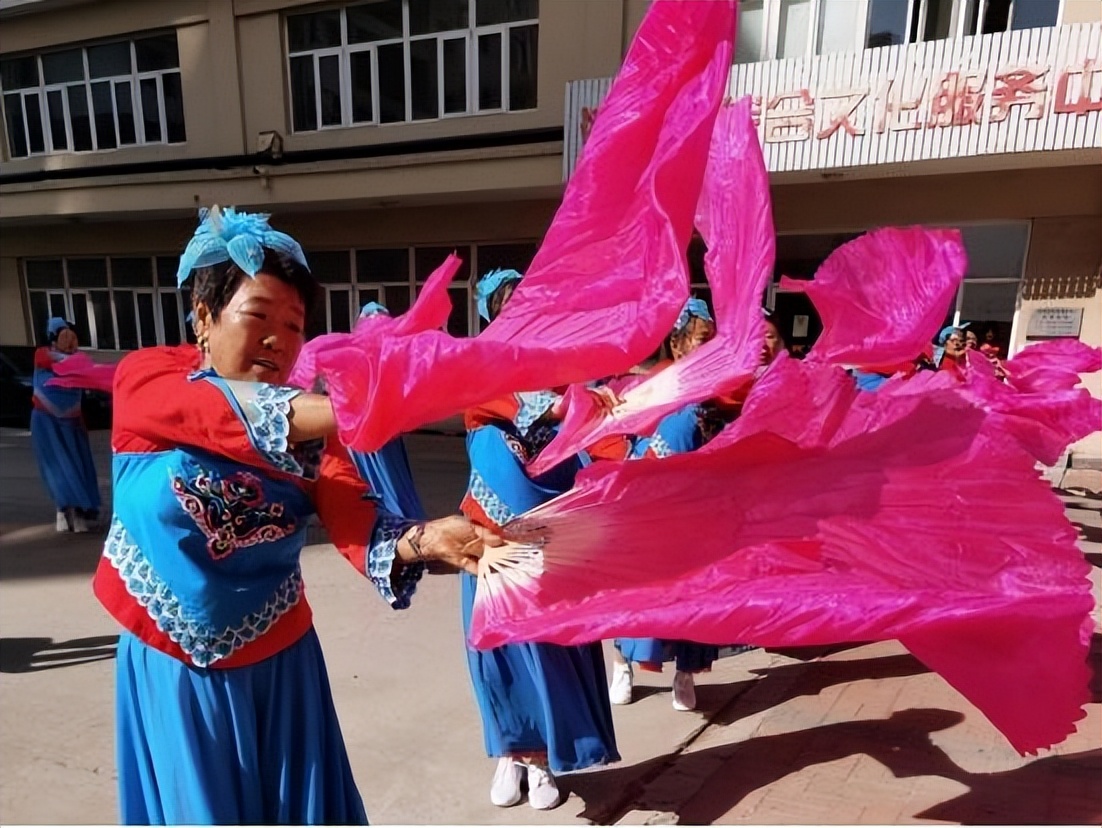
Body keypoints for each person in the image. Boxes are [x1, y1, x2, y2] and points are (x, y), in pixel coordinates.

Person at [91, 206, 499, 825]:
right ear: (203, 317)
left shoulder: (311, 432)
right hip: (175, 666)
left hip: (282, 668)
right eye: (257, 316)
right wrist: (379, 402)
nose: (277, 339)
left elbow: (357, 519)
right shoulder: (148, 379)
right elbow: (214, 413)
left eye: (293, 325)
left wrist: (430, 539)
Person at [460, 268, 619, 811]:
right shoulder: (481, 375)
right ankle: (510, 749)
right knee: (500, 656)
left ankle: (544, 757)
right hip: (489, 541)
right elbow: (500, 409)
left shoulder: (566, 376)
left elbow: (597, 436)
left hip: (553, 540)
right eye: (509, 310)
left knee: (548, 652)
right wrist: (560, 408)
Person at [610, 298, 722, 711]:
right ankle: (621, 662)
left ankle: (685, 673)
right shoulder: (648, 388)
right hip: (647, 511)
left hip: (697, 513)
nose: (709, 349)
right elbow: (614, 440)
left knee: (692, 597)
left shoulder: (718, 389)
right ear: (677, 344)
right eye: (702, 340)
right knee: (635, 594)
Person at [346, 302, 427, 520]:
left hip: (381, 438)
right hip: (367, 437)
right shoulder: (360, 359)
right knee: (381, 487)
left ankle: (394, 521)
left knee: (388, 485)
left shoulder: (389, 359)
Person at [31, 317, 101, 533]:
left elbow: (89, 373)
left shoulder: (79, 360)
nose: (69, 342)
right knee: (58, 468)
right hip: (47, 421)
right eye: (63, 336)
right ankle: (62, 509)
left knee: (76, 466)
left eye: (71, 337)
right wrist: (75, 362)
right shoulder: (43, 355)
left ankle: (78, 511)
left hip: (71, 422)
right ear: (53, 339)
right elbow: (56, 361)